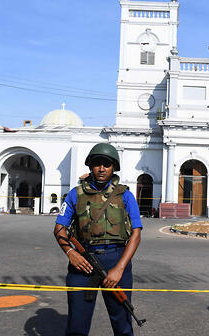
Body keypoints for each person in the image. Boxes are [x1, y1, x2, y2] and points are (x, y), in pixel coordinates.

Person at [53, 143, 143, 336]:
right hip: (83, 262)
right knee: (77, 325)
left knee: (123, 324)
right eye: (97, 164)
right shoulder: (75, 194)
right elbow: (59, 229)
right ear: (90, 166)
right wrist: (71, 253)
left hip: (116, 259)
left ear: (113, 167)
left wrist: (119, 269)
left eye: (107, 164)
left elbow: (136, 233)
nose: (102, 168)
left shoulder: (125, 195)